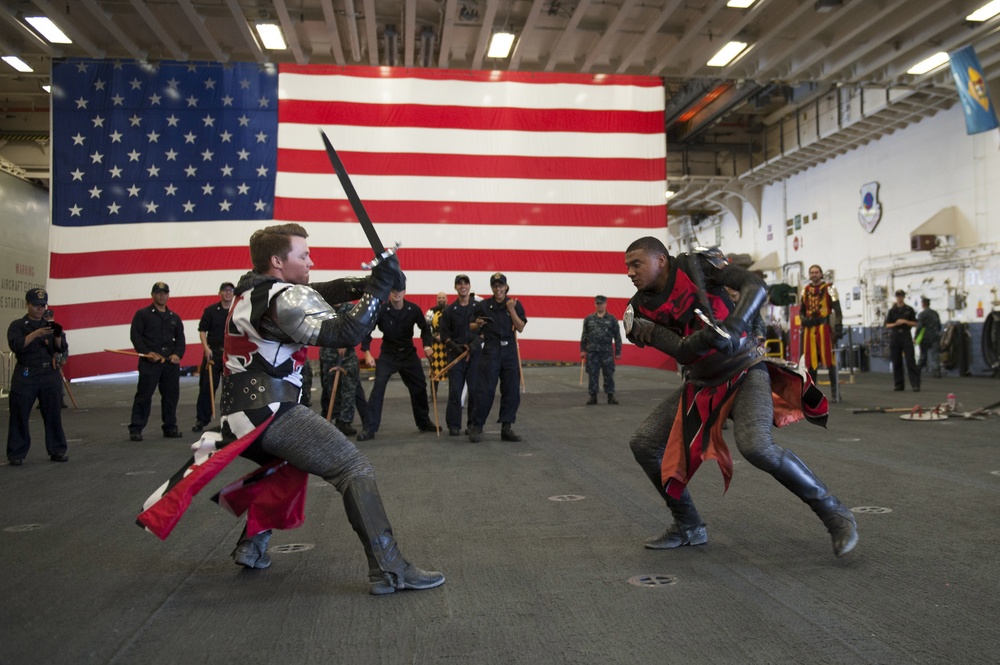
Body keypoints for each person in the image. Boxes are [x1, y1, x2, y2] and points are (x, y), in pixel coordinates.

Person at [136, 222, 443, 595]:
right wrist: (378, 289)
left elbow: (315, 292)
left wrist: (368, 283)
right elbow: (345, 333)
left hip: (241, 415)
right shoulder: (281, 300)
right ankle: (390, 569)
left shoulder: (254, 289)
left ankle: (252, 545)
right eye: (303, 255)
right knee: (353, 467)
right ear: (278, 261)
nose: (311, 260)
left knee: (284, 467)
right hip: (270, 412)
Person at [623, 237, 857, 558]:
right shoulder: (639, 310)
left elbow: (755, 285)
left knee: (756, 446)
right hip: (703, 384)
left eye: (636, 264)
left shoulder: (697, 265)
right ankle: (688, 525)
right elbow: (678, 349)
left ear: (661, 260)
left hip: (746, 370)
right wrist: (707, 338)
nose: (630, 272)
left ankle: (834, 512)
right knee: (644, 442)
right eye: (627, 267)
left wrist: (734, 325)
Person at [358, 288, 438, 441]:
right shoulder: (381, 310)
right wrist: (367, 352)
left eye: (400, 290)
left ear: (405, 291)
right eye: (394, 290)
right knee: (378, 387)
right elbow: (367, 331)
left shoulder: (413, 309)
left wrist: (427, 346)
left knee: (420, 386)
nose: (397, 293)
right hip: (389, 353)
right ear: (390, 292)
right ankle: (369, 428)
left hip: (408, 354)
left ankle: (423, 421)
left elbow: (425, 328)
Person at [6, 289, 69, 465]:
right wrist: (35, 334)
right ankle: (17, 453)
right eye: (35, 305)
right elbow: (17, 345)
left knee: (53, 413)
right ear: (27, 304)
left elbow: (61, 348)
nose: (39, 309)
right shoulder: (18, 325)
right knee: (19, 413)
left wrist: (56, 335)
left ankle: (57, 449)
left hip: (49, 372)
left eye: (43, 305)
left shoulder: (51, 325)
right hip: (27, 373)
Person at [468, 273, 527, 443]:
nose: (498, 289)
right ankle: (476, 426)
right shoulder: (484, 306)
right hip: (491, 348)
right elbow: (471, 325)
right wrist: (477, 324)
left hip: (508, 349)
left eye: (501, 286)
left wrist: (511, 310)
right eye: (495, 286)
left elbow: (520, 327)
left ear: (506, 287)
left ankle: (506, 427)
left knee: (511, 389)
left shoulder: (514, 304)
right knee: (485, 390)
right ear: (492, 288)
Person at [128, 282, 186, 441]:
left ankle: (170, 426)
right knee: (144, 395)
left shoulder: (174, 317)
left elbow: (180, 339)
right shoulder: (143, 314)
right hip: (150, 363)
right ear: (152, 295)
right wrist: (146, 353)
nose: (162, 295)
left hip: (169, 363)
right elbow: (136, 336)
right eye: (159, 293)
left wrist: (177, 354)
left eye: (165, 293)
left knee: (171, 396)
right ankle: (136, 428)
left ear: (168, 295)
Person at [438, 274, 482, 436]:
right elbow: (444, 335)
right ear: (455, 287)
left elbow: (484, 331)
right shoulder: (449, 311)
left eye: (465, 283)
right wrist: (456, 347)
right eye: (459, 284)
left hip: (475, 354)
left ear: (469, 286)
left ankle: (473, 424)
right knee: (455, 390)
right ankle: (454, 424)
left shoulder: (478, 308)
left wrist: (473, 346)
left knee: (474, 390)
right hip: (455, 356)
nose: (463, 286)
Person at [320, 302, 369, 436]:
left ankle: (345, 421)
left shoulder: (350, 309)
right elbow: (319, 329)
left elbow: (358, 328)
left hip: (347, 355)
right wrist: (336, 341)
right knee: (329, 387)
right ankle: (330, 417)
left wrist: (345, 341)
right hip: (329, 353)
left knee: (349, 388)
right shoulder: (324, 308)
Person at [193, 282, 235, 432]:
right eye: (225, 291)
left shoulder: (237, 311)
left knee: (231, 388)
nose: (228, 293)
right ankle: (201, 419)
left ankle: (229, 421)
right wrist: (206, 348)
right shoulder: (211, 311)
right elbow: (202, 330)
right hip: (213, 353)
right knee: (206, 387)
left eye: (231, 290)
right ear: (220, 293)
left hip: (231, 355)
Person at [800, 264, 843, 402]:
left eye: (816, 272)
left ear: (821, 274)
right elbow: (801, 310)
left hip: (824, 328)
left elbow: (838, 310)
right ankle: (813, 394)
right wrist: (803, 319)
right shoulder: (805, 291)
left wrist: (838, 327)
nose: (814, 274)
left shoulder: (830, 288)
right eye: (811, 272)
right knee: (811, 362)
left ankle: (835, 393)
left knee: (830, 360)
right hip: (809, 329)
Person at [580, 295, 623, 405]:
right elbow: (584, 335)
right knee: (592, 374)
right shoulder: (589, 319)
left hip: (606, 352)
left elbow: (617, 336)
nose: (599, 305)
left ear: (605, 304)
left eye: (601, 303)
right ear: (595, 304)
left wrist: (618, 352)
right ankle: (593, 396)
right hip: (592, 352)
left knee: (609, 374)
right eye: (598, 303)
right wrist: (582, 350)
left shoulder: (612, 319)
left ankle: (610, 396)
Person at [885, 289, 920, 392]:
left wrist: (905, 321)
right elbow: (887, 324)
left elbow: (915, 323)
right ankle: (899, 384)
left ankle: (915, 384)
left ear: (903, 297)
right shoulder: (892, 311)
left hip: (906, 334)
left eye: (901, 296)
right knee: (896, 361)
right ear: (896, 297)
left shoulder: (909, 309)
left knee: (910, 360)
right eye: (898, 296)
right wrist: (896, 324)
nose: (899, 298)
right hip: (895, 335)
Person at [426, 292, 449, 401]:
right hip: (435, 346)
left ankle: (454, 394)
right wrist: (434, 337)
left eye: (443, 298)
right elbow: (425, 328)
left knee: (452, 370)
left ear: (447, 299)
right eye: (439, 298)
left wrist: (445, 336)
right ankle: (433, 394)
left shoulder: (451, 310)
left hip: (449, 345)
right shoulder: (431, 312)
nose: (441, 299)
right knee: (434, 370)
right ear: (436, 299)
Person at [916, 296, 942, 378]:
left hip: (925, 338)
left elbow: (919, 327)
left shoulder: (922, 314)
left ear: (923, 304)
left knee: (923, 356)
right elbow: (939, 326)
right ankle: (937, 372)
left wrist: (916, 337)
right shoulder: (935, 313)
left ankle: (917, 371)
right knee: (935, 356)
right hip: (935, 337)